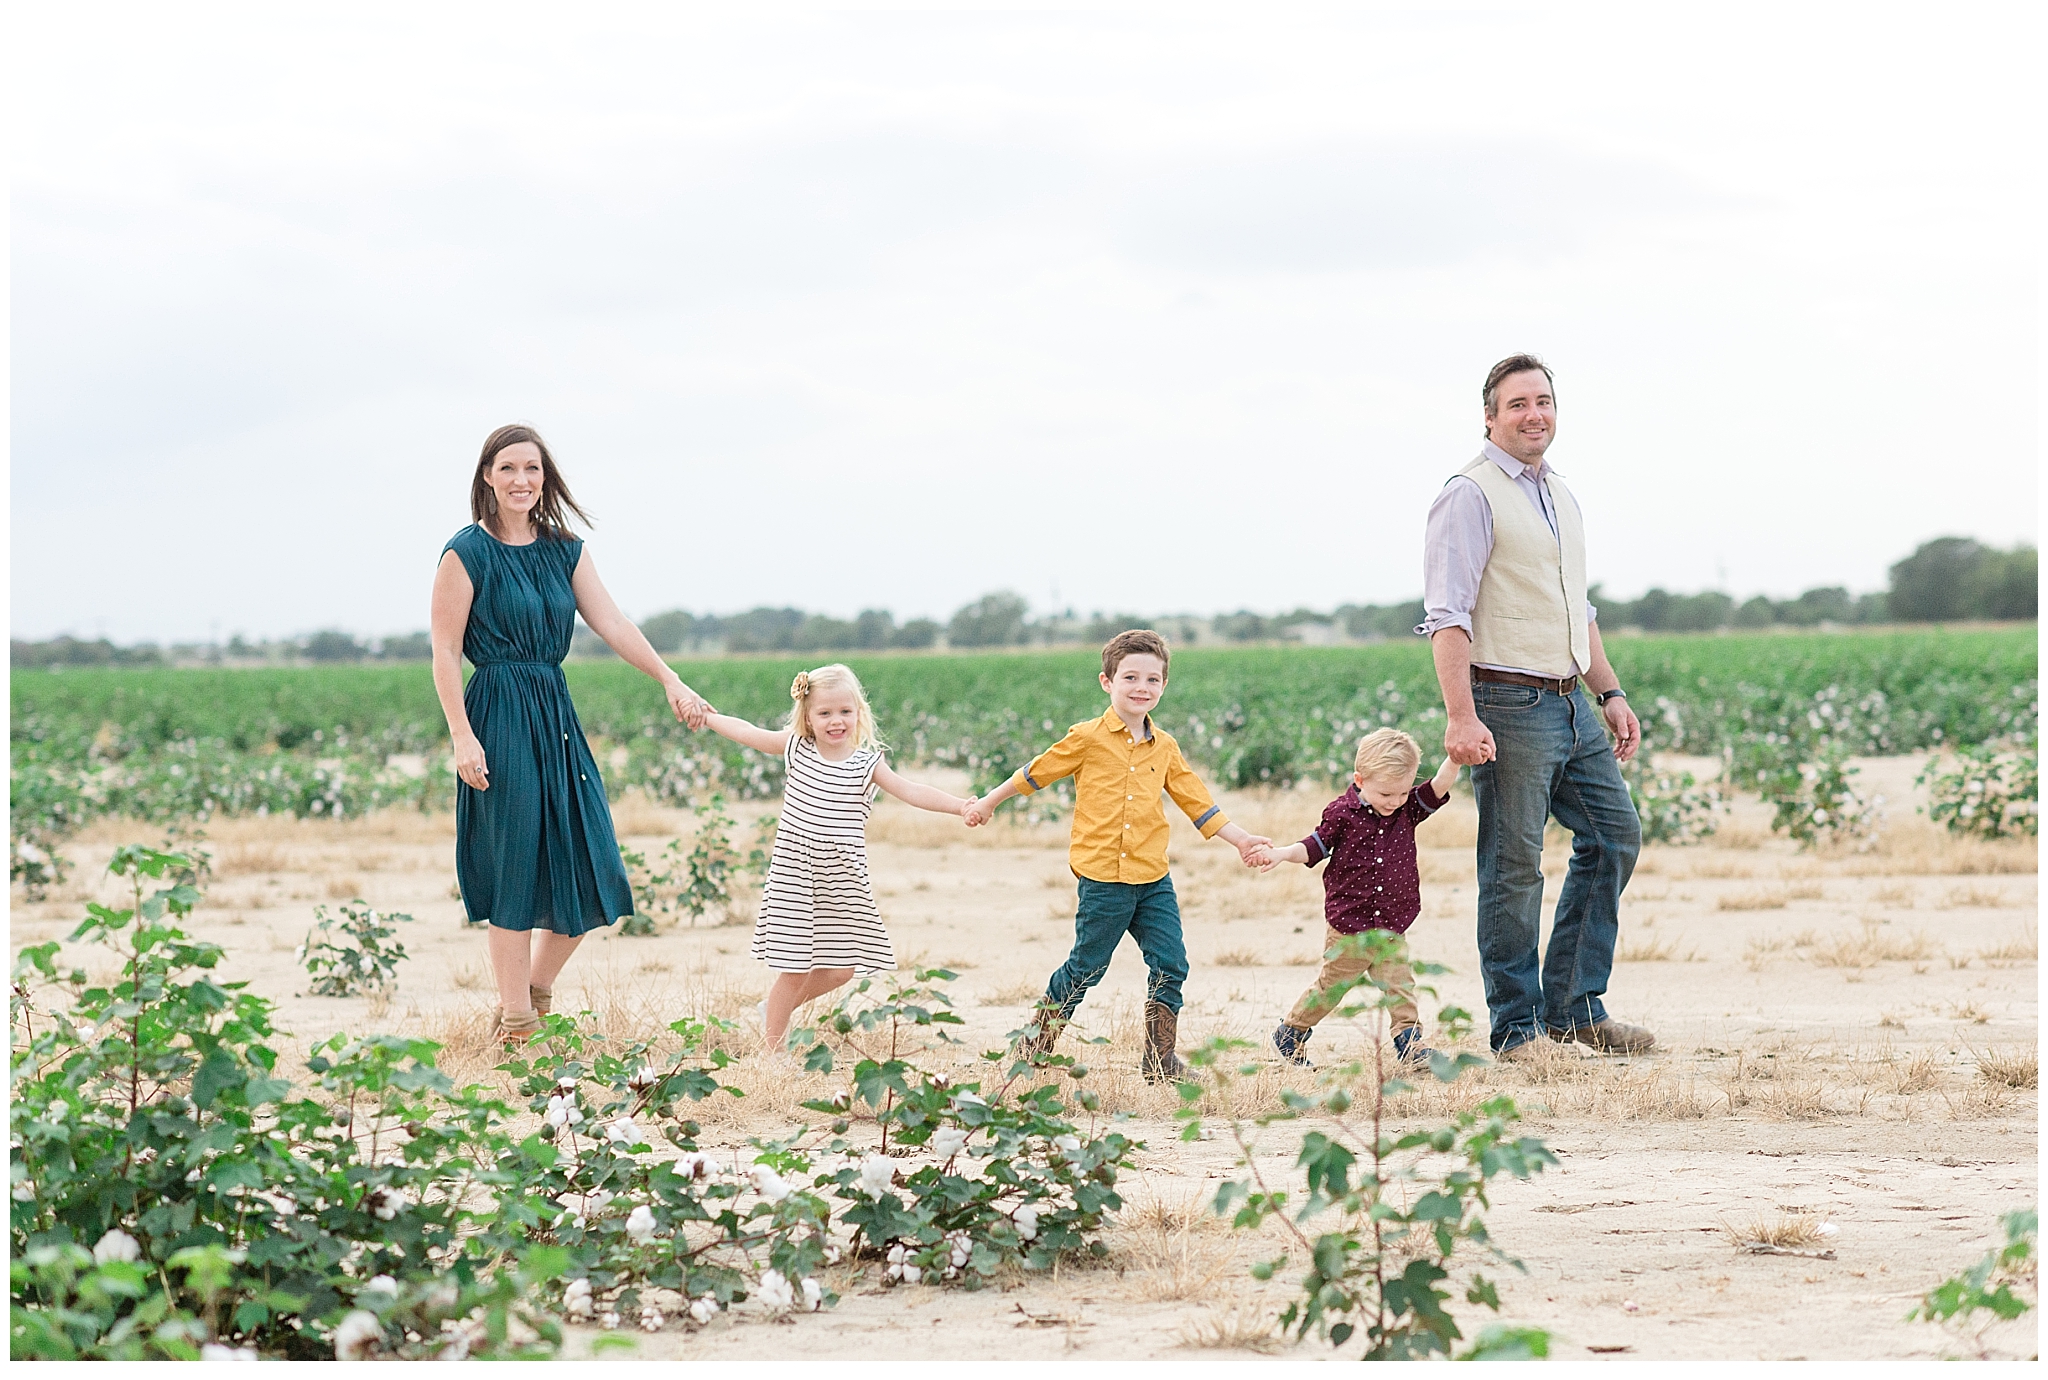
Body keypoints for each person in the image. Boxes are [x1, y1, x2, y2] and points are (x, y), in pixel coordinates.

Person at [431, 423, 712, 1046]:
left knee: (592, 864)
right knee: (513, 868)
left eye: (532, 469)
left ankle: (530, 994)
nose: (521, 480)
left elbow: (610, 621)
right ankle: (520, 1024)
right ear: (487, 478)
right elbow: (446, 653)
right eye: (508, 469)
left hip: (554, 713)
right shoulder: (464, 553)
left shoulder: (565, 549)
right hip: (497, 711)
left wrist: (670, 679)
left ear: (545, 477)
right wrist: (462, 735)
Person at [1418, 354, 1651, 1059]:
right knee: (1514, 867)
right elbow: (1448, 615)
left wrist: (1608, 691)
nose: (1534, 414)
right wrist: (1462, 715)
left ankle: (1576, 1008)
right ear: (1490, 416)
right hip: (1506, 701)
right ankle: (1518, 1030)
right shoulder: (1470, 493)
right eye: (1517, 403)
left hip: (1571, 701)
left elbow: (1574, 607)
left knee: (1614, 838)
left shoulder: (1560, 495)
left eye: (1543, 401)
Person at [965, 630, 1269, 1082]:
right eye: (1130, 677)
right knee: (1087, 967)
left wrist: (1241, 839)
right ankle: (1034, 1048)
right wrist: (988, 801)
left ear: (1163, 686)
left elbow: (1195, 801)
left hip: (1152, 878)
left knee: (1172, 963)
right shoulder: (1086, 737)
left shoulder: (1164, 747)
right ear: (1107, 681)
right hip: (1104, 877)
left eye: (1152, 679)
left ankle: (1159, 1062)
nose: (1141, 687)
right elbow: (1036, 773)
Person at [703, 663, 975, 1051]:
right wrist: (708, 717)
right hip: (796, 875)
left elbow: (912, 790)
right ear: (808, 717)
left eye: (845, 712)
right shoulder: (797, 747)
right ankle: (773, 1052)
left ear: (858, 713)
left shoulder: (868, 764)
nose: (836, 721)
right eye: (824, 713)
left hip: (841, 879)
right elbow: (749, 733)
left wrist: (958, 806)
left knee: (840, 970)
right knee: (794, 968)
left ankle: (772, 1010)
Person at [1253, 728, 1459, 1069]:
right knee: (1333, 985)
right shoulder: (1341, 814)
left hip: (1392, 919)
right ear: (1360, 780)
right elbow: (1315, 846)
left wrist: (1455, 758)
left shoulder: (1408, 810)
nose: (1395, 801)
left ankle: (1410, 1044)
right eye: (1386, 793)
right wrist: (1281, 854)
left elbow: (1437, 787)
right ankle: (1290, 1033)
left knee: (1400, 984)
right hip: (1351, 922)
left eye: (1403, 792)